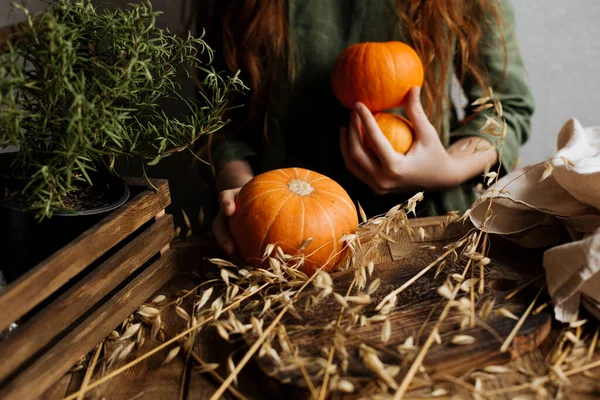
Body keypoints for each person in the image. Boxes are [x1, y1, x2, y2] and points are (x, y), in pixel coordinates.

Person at [196, 0, 535, 256]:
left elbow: (506, 106)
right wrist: (245, 199)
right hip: (282, 246)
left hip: (428, 235)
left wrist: (447, 169)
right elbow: (218, 122)